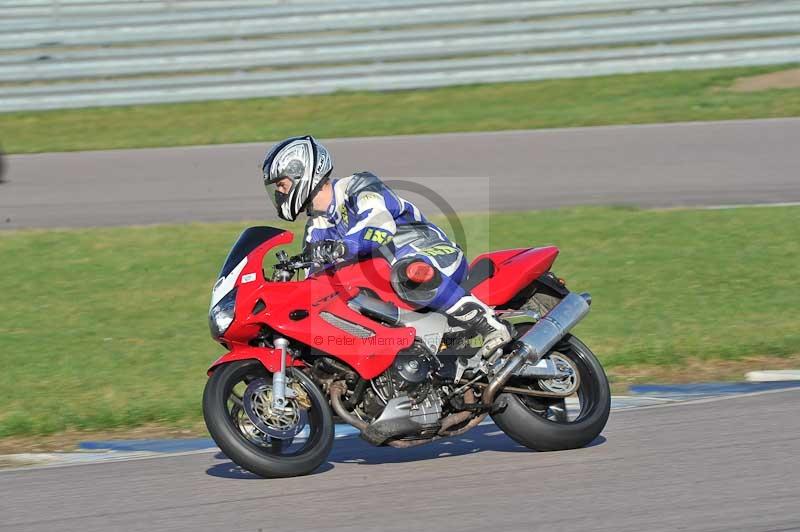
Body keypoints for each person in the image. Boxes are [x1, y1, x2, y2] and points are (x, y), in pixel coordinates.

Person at [261, 135, 510, 357]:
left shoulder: (358, 186)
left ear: (302, 175)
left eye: (282, 185)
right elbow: (316, 282)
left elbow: (378, 226)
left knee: (406, 272)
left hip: (431, 255)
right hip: (387, 288)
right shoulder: (316, 227)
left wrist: (339, 248)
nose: (280, 194)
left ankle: (486, 322)